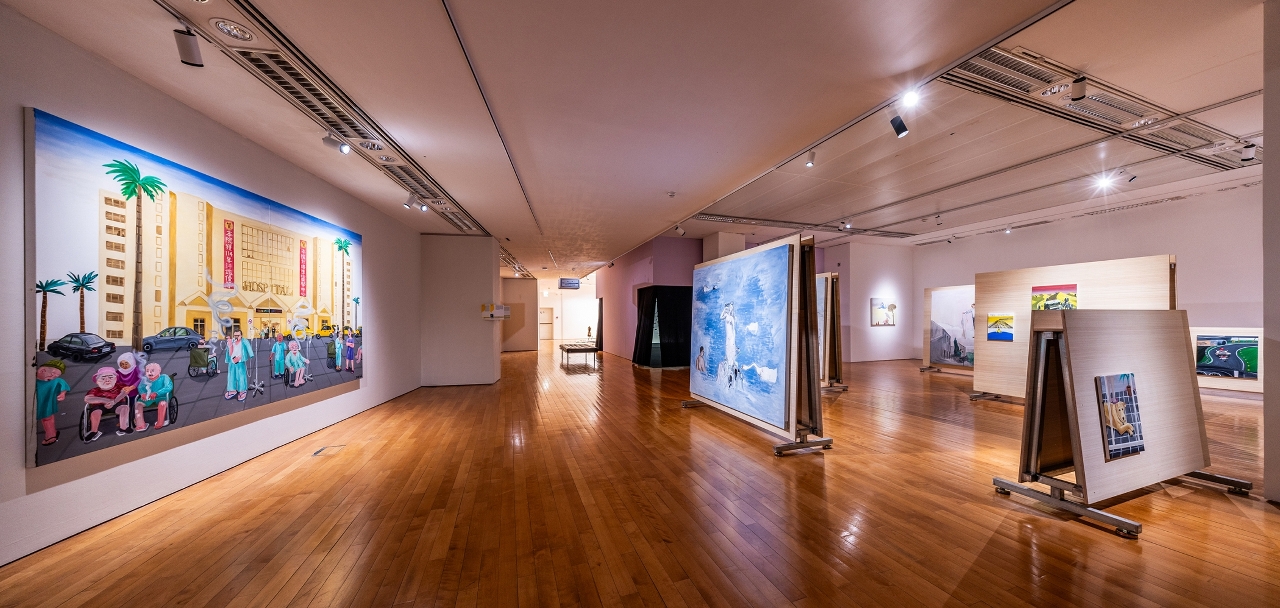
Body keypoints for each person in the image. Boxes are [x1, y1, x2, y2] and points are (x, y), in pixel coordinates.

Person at [83, 367, 132, 441]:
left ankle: (123, 427)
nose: (107, 380)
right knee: (95, 413)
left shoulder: (119, 386)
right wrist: (106, 401)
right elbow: (87, 399)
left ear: (115, 379)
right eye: (103, 378)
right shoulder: (95, 390)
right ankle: (94, 431)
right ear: (97, 381)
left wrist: (114, 402)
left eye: (110, 377)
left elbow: (125, 392)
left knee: (125, 408)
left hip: (117, 404)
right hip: (100, 406)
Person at [35, 359, 70, 446]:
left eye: (57, 375)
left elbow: (63, 385)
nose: (54, 376)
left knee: (47, 419)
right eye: (53, 373)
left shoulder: (55, 381)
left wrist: (62, 393)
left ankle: (51, 435)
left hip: (47, 403)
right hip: (35, 403)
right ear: (42, 370)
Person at [138, 362, 174, 430]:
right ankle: (141, 424)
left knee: (162, 404)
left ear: (159, 371)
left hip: (162, 396)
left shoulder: (164, 377)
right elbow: (140, 387)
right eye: (147, 371)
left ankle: (160, 422)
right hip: (148, 397)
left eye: (152, 370)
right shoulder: (145, 379)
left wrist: (157, 393)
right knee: (138, 404)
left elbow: (168, 387)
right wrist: (142, 393)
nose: (149, 373)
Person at [224, 329, 254, 401]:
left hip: (240, 361)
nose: (236, 337)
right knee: (231, 376)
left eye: (238, 335)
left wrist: (251, 354)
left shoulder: (244, 341)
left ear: (241, 335)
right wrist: (230, 345)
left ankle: (242, 390)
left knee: (241, 376)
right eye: (235, 335)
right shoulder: (232, 341)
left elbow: (248, 348)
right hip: (232, 362)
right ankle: (232, 390)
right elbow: (230, 353)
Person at [115, 352, 142, 432]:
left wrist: (132, 387)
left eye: (126, 363)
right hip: (123, 392)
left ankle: (134, 418)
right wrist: (122, 388)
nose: (124, 366)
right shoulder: (118, 372)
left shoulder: (136, 369)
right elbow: (116, 382)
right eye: (122, 364)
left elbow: (140, 379)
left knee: (133, 404)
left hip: (134, 391)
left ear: (131, 362)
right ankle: (122, 420)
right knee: (121, 405)